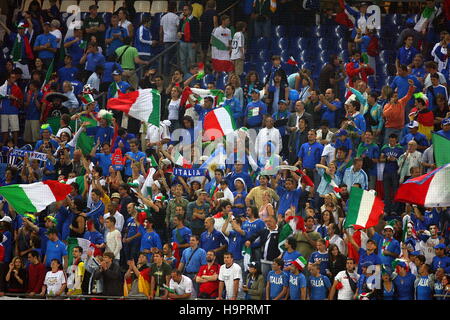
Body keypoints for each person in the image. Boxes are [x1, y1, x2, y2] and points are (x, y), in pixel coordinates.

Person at [178, 4, 200, 74]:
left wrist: (195, 42)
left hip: (191, 42)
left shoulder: (195, 20)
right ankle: (185, 75)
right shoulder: (182, 19)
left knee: (191, 60)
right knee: (183, 60)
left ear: (190, 11)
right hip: (183, 41)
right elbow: (179, 29)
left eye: (185, 10)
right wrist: (178, 32)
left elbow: (197, 32)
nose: (183, 11)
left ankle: (192, 75)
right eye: (183, 10)